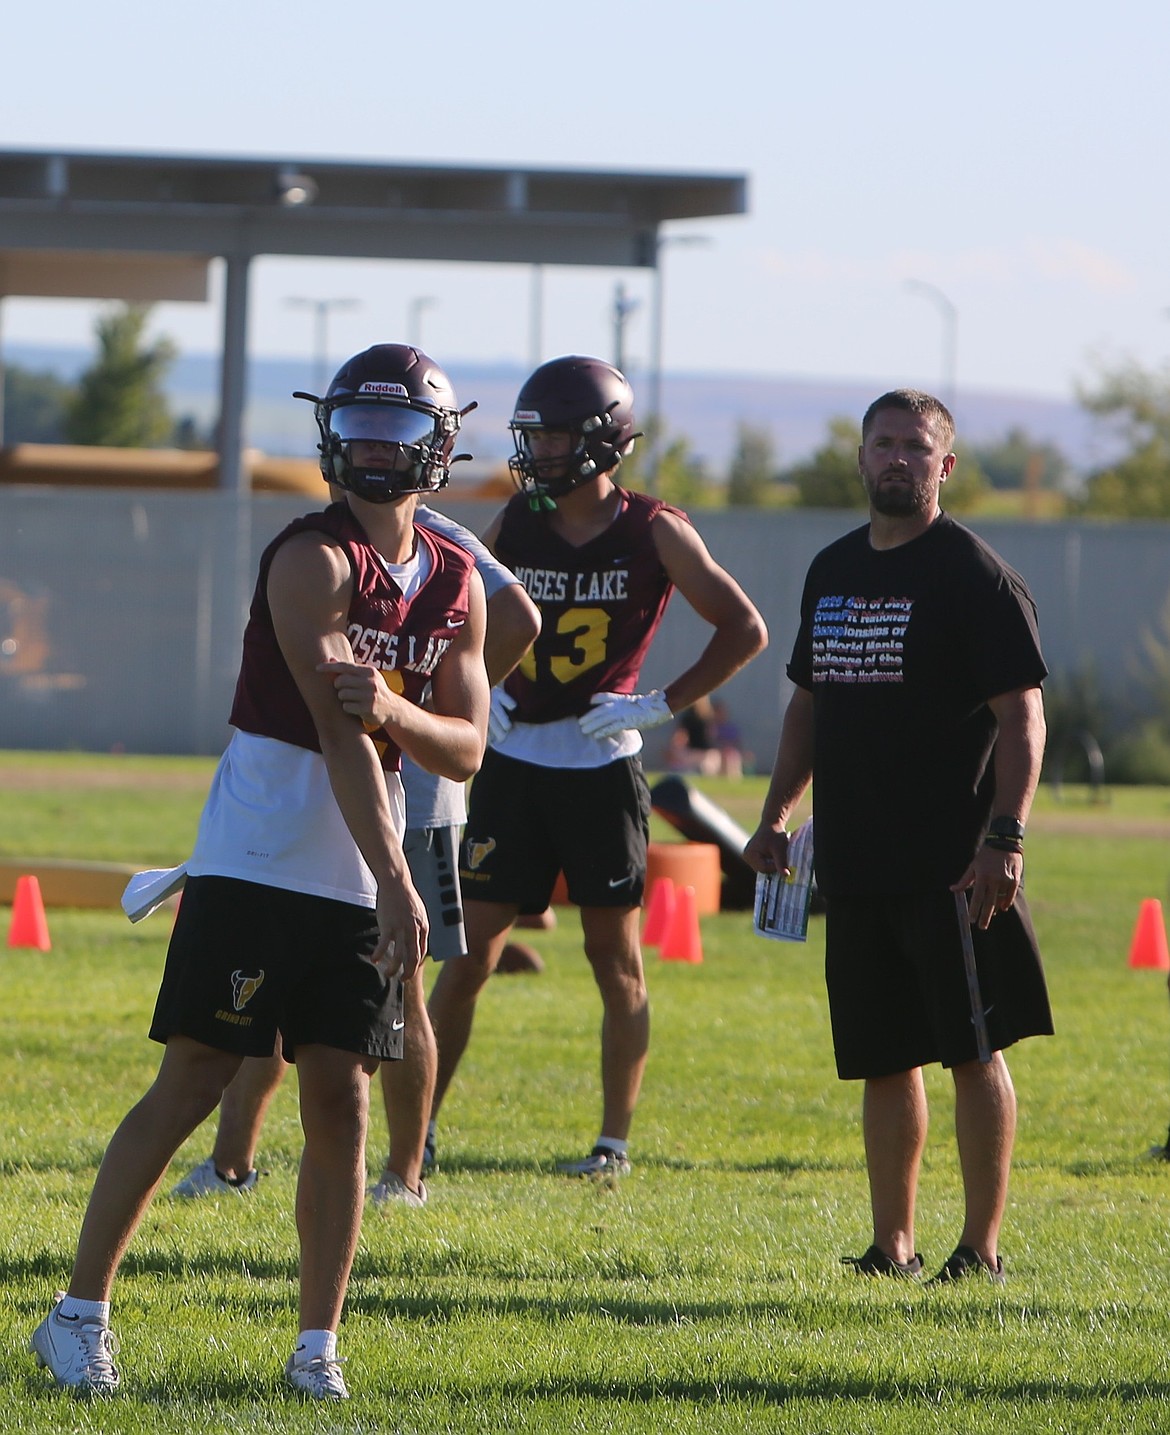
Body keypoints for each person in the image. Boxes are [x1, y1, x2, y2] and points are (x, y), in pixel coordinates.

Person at [29, 344, 490, 1400]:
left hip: (359, 868)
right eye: (361, 428)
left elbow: (464, 745)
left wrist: (397, 711)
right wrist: (394, 873)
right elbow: (338, 737)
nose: (378, 449)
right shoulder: (310, 557)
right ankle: (76, 1314)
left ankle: (316, 1349)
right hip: (259, 857)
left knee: (341, 1098)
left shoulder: (456, 577)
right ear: (331, 436)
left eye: (403, 432)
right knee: (192, 1077)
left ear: (440, 446)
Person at [428, 354, 768, 1176]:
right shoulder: (516, 519)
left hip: (601, 762)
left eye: (550, 434)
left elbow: (744, 627)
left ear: (600, 442)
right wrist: (481, 682)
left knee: (615, 961)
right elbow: (450, 608)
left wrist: (662, 702)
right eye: (533, 433)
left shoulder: (654, 527)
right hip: (511, 756)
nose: (537, 449)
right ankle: (419, 1127)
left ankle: (613, 1142)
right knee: (468, 955)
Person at [744, 388, 1052, 1284]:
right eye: (882, 444)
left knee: (971, 1047)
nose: (896, 460)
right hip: (857, 858)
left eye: (915, 448)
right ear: (861, 457)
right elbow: (810, 701)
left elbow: (1022, 714)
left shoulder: (975, 574)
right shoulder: (833, 566)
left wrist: (1005, 836)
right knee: (883, 1056)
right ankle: (893, 1245)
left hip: (954, 862)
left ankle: (982, 1247)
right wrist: (775, 815)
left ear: (944, 466)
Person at [169, 503, 540, 1208]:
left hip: (407, 789)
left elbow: (518, 619)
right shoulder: (324, 544)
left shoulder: (443, 540)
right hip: (324, 783)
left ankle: (404, 1171)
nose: (376, 448)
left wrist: (423, 710)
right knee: (272, 997)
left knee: (400, 988)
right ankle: (231, 1159)